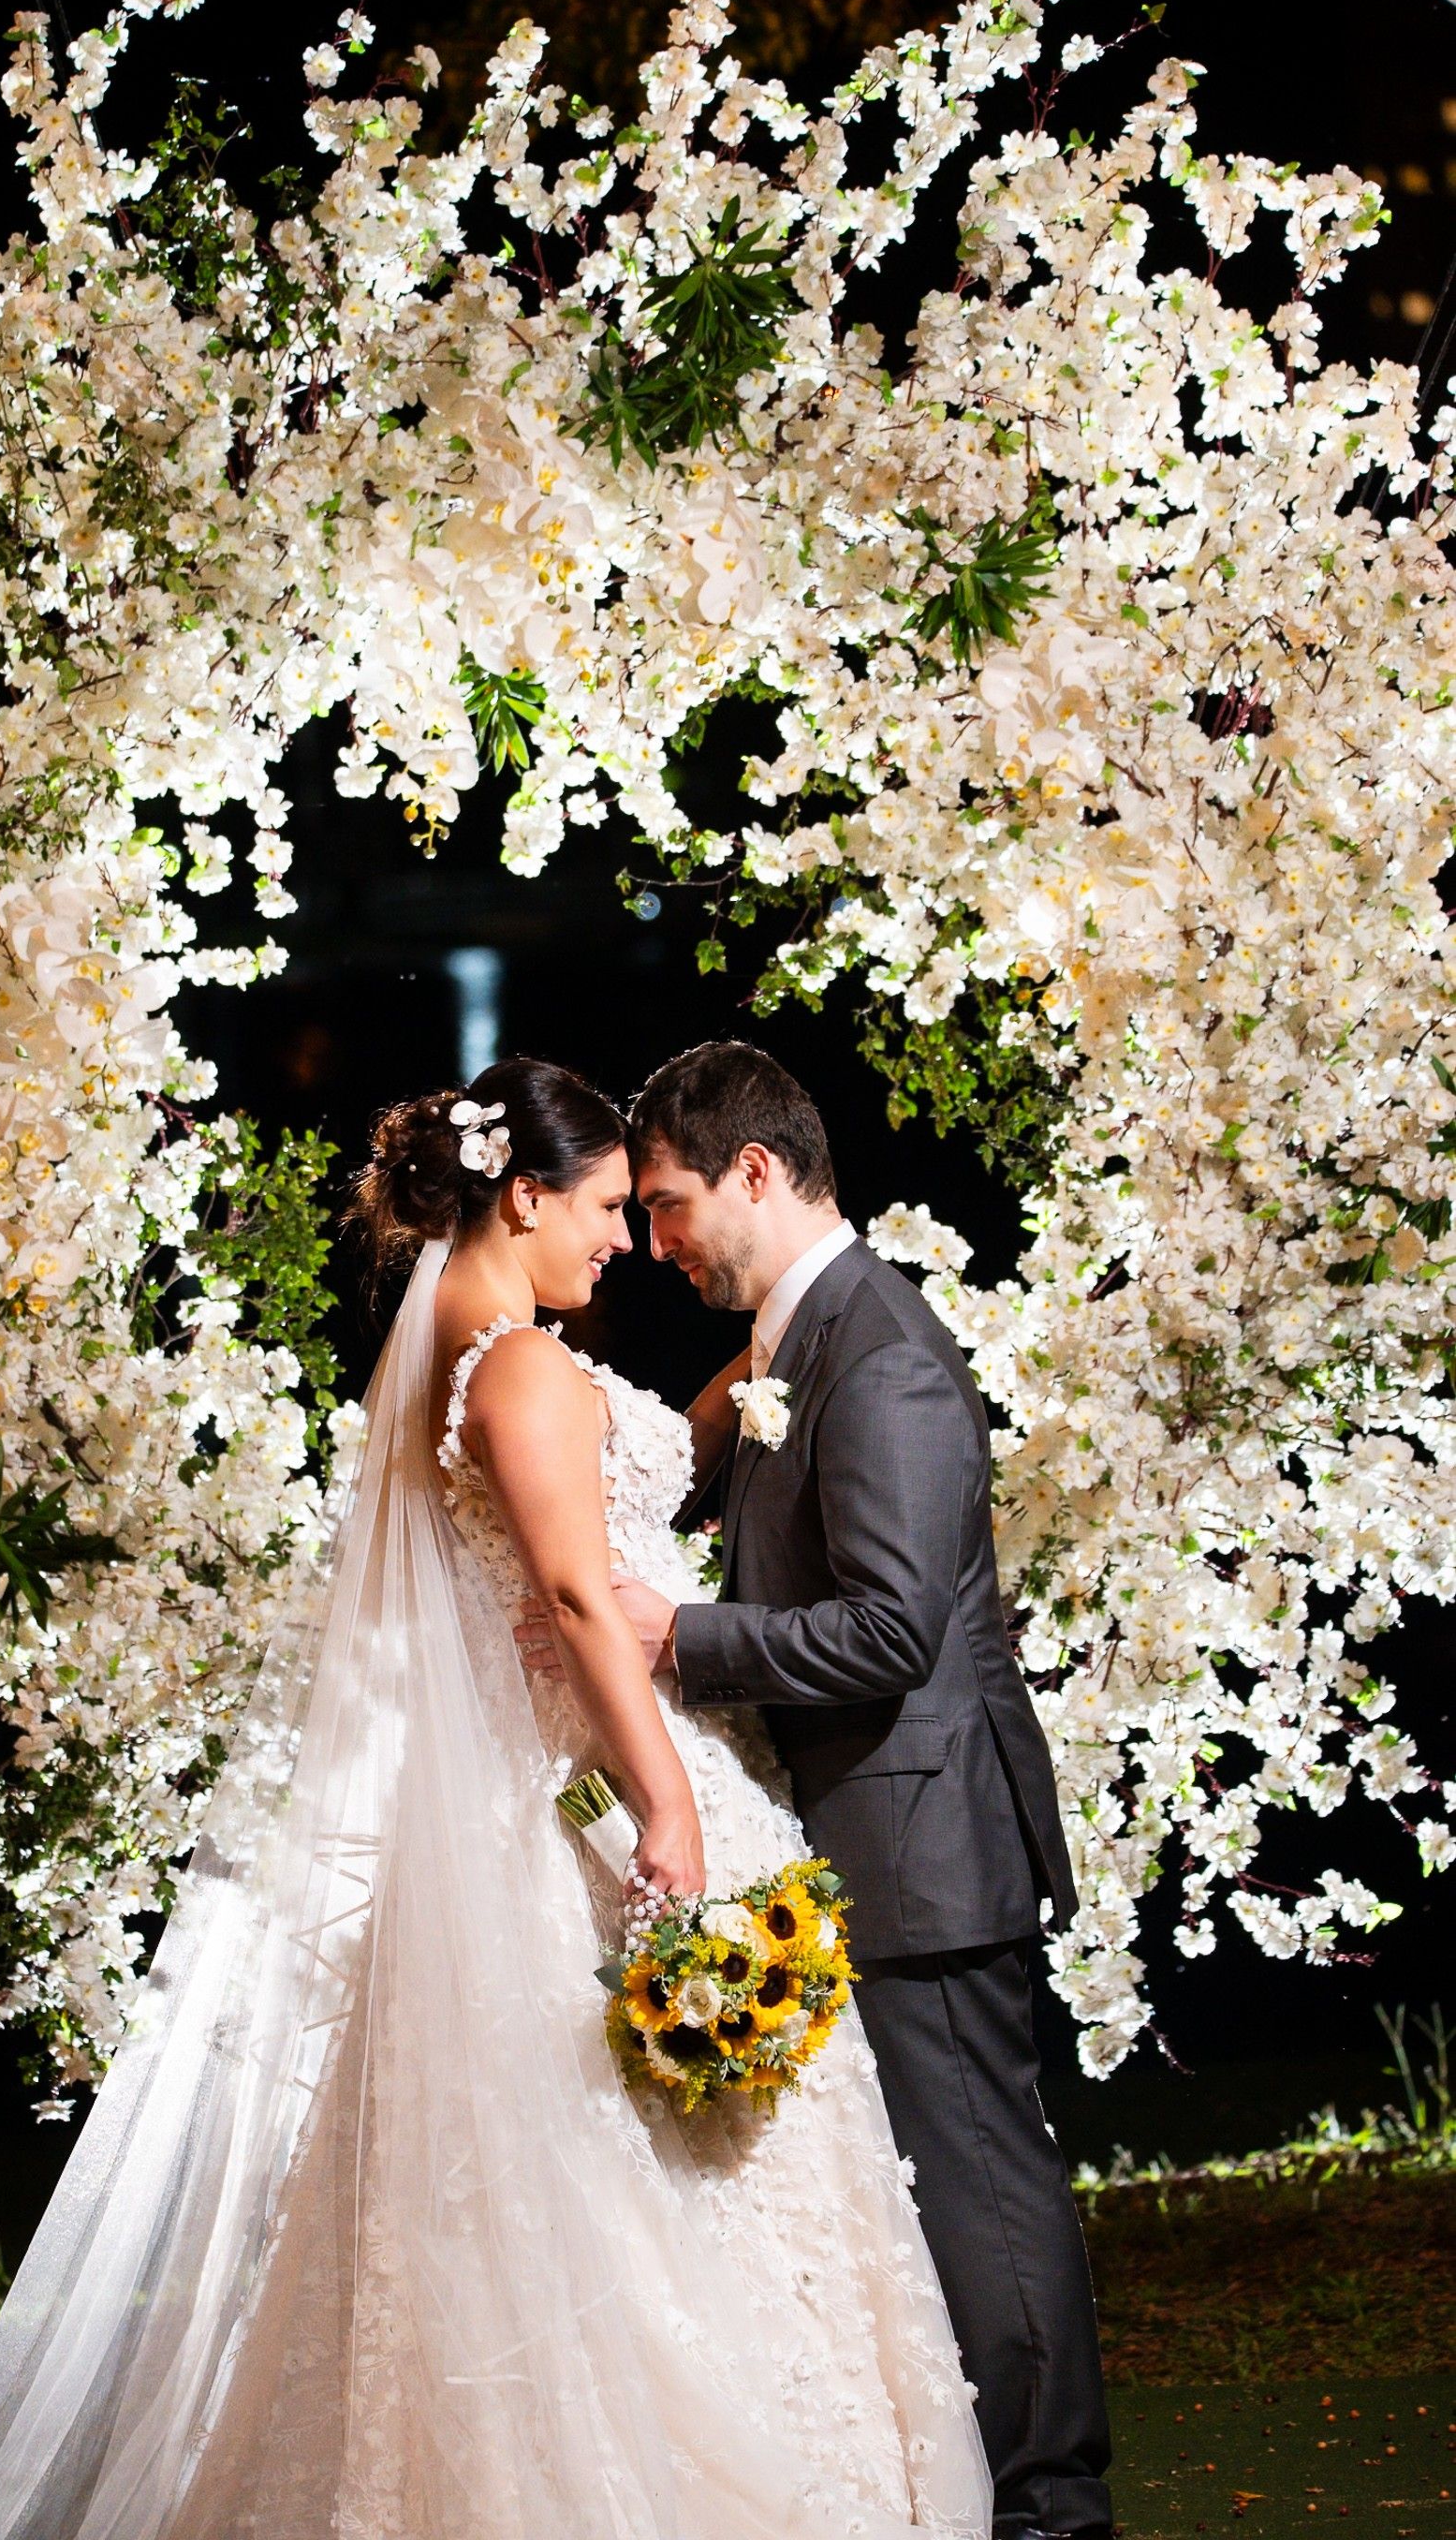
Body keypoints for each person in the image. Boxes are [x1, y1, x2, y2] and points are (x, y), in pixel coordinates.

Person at [0, 1055, 990, 2540]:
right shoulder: (517, 1369)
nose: (624, 1240)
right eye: (605, 1207)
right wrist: (669, 1805)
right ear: (522, 1196)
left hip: (539, 1783)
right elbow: (578, 1599)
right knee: (659, 2168)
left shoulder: (467, 1360)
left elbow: (599, 1509)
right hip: (599, 1782)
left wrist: (775, 1346)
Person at [597, 1040, 1113, 2540]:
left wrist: (680, 1638)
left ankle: (1056, 2510)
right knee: (933, 2200)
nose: (657, 1242)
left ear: (756, 1172)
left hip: (925, 1843)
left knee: (982, 2192)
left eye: (670, 1202)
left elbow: (894, 1631)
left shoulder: (877, 1352)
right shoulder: (797, 1340)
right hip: (874, 1833)